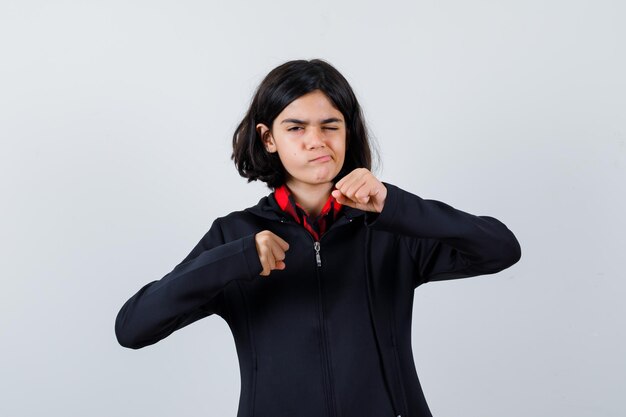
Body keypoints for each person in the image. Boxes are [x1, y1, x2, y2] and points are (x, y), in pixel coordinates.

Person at [115, 59, 521, 417]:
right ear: (268, 138)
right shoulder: (234, 235)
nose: (317, 140)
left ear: (348, 133)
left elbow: (501, 249)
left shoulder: (390, 228)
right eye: (295, 127)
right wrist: (237, 258)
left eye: (331, 126)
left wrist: (394, 205)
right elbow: (133, 328)